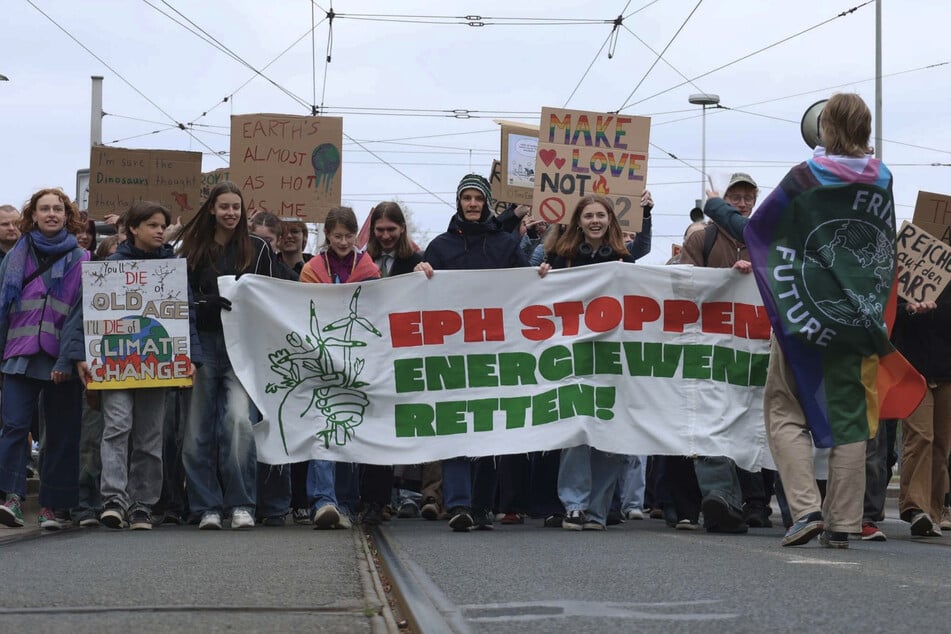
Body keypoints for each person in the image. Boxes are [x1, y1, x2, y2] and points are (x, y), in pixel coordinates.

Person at [704, 93, 911, 549]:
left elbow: (756, 231)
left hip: (804, 312)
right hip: (858, 317)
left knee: (784, 409)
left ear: (825, 129)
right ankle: (843, 522)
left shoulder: (805, 177)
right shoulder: (883, 178)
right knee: (851, 420)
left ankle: (805, 511)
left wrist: (716, 206)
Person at [65, 201, 202, 530]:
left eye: (162, 225)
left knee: (150, 436)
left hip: (157, 365)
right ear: (134, 229)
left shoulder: (172, 269)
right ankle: (114, 499)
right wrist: (80, 356)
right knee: (116, 428)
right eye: (152, 225)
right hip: (115, 364)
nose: (159, 231)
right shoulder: (108, 267)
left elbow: (186, 315)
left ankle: (142, 503)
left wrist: (191, 357)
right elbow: (84, 314)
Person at [415, 173, 528, 531]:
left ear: (488, 203)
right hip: (452, 351)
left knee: (491, 424)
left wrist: (541, 275)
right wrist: (419, 272)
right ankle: (460, 503)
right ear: (459, 202)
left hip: (497, 348)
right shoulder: (440, 247)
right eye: (466, 198)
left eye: (478, 198)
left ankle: (481, 504)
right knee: (456, 421)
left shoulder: (506, 246)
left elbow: (527, 289)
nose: (473, 204)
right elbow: (419, 295)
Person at [176, 181, 283, 530]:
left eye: (236, 207)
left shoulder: (258, 248)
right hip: (202, 346)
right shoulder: (190, 249)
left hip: (242, 349)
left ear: (243, 210)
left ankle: (241, 503)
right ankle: (205, 505)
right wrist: (200, 305)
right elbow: (174, 300)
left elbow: (271, 296)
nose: (230, 213)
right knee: (196, 431)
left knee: (238, 423)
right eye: (224, 206)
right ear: (211, 209)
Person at [537, 194, 637, 530]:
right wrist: (541, 276)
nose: (595, 221)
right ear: (578, 221)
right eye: (588, 215)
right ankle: (574, 504)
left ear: (610, 220)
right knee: (577, 430)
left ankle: (598, 508)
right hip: (572, 358)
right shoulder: (558, 258)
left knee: (612, 433)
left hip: (611, 359)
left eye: (601, 215)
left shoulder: (625, 261)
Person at [680, 173, 769, 533]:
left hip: (756, 348)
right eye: (736, 197)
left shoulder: (764, 240)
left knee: (753, 421)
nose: (743, 203)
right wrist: (725, 279)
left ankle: (756, 503)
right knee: (711, 419)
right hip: (711, 348)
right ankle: (722, 498)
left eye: (749, 197)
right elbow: (681, 279)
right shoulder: (704, 238)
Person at [0, 188, 90, 530]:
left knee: (63, 433)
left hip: (59, 360)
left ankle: (54, 506)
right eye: (44, 209)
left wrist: (68, 360)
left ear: (67, 215)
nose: (51, 214)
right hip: (18, 358)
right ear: (33, 215)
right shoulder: (15, 256)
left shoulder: (82, 259)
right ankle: (10, 497)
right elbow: (2, 309)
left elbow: (80, 315)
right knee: (13, 427)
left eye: (57, 208)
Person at [300, 206, 381, 529]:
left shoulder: (370, 270)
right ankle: (323, 500)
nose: (343, 242)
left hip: (357, 360)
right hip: (322, 359)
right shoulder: (311, 270)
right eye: (337, 236)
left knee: (348, 427)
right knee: (323, 427)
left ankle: (345, 502)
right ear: (327, 237)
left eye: (348, 236)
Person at [359, 201, 423, 524]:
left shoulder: (416, 260)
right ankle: (374, 499)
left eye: (391, 230)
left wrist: (426, 274)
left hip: (404, 353)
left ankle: (409, 493)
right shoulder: (361, 260)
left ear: (402, 230)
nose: (385, 235)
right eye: (380, 230)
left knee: (406, 421)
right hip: (372, 353)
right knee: (375, 425)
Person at [892, 290, 949, 537]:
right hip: (912, 370)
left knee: (941, 445)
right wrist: (909, 309)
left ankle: (933, 513)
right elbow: (888, 315)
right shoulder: (909, 267)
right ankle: (916, 508)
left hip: (947, 369)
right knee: (921, 436)